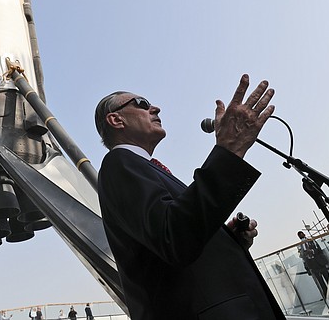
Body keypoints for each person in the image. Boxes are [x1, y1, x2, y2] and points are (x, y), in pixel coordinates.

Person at [96, 74, 285, 320]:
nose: (155, 108)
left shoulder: (144, 168)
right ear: (116, 119)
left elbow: (178, 233)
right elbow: (174, 238)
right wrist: (228, 151)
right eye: (141, 103)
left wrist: (225, 238)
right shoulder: (118, 164)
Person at [297, 230, 329, 299]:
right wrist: (307, 267)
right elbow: (303, 257)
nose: (301, 235)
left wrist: (312, 251)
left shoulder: (311, 240)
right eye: (299, 235)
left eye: (302, 234)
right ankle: (327, 296)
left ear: (304, 234)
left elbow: (319, 249)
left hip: (319, 263)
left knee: (327, 278)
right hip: (312, 265)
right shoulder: (300, 245)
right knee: (321, 282)